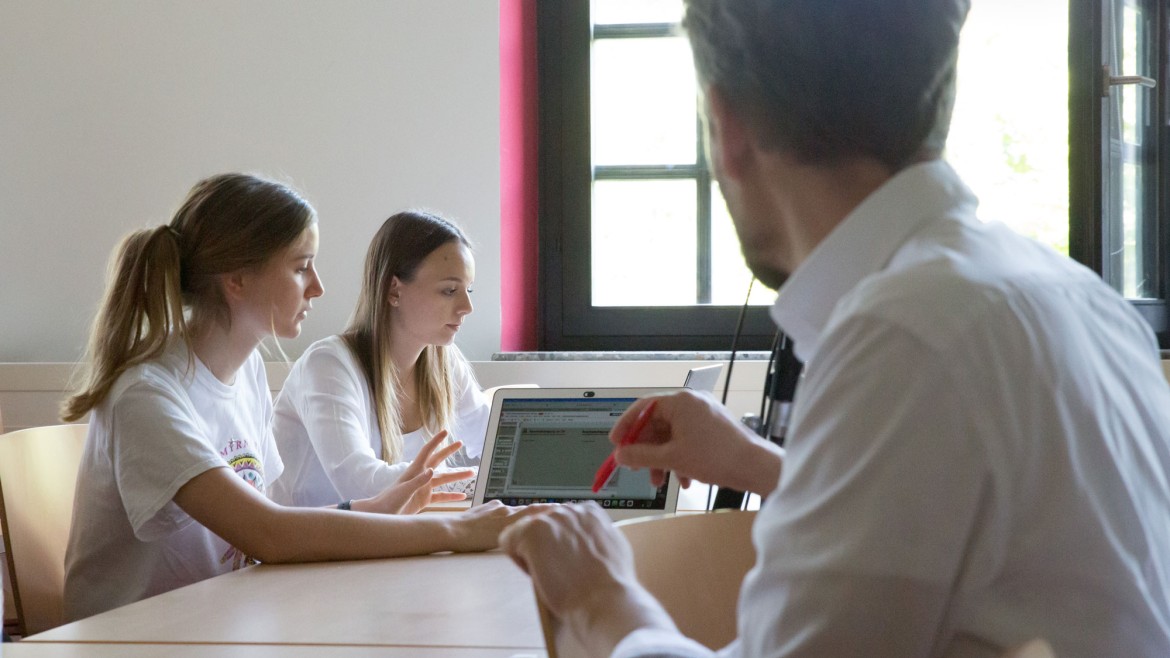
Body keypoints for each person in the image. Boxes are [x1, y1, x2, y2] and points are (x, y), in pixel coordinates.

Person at [500, 1, 1170, 656]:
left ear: (727, 124)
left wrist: (600, 598)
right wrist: (751, 463)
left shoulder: (904, 339)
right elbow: (956, 529)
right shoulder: (1080, 299)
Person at [60, 173, 537, 622]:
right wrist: (458, 531)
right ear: (237, 279)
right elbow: (268, 533)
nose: (318, 287)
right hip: (137, 639)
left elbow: (274, 518)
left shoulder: (244, 371)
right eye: (300, 267)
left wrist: (375, 508)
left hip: (218, 621)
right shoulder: (148, 395)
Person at [270, 210, 487, 508]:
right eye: (449, 290)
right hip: (313, 550)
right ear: (394, 290)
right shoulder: (328, 365)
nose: (467, 307)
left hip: (392, 542)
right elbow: (359, 483)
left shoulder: (444, 362)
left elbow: (496, 441)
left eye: (468, 289)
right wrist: (481, 480)